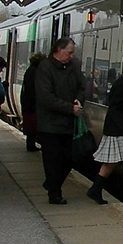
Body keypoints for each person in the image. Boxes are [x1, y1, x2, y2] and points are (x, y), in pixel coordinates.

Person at [36, 37, 85, 205]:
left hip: (67, 123)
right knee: (52, 160)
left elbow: (81, 87)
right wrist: (68, 108)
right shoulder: (45, 68)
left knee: (70, 159)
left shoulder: (73, 67)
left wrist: (79, 100)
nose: (71, 56)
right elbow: (45, 97)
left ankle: (51, 184)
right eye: (69, 53)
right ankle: (54, 193)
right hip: (49, 124)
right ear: (58, 50)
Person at [87, 59, 123, 204]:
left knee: (114, 162)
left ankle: (97, 189)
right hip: (118, 130)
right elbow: (115, 108)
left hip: (118, 129)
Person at [21, 52, 45, 152]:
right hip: (31, 105)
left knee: (31, 126)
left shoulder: (30, 70)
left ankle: (31, 144)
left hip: (27, 103)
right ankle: (31, 145)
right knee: (33, 126)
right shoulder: (35, 72)